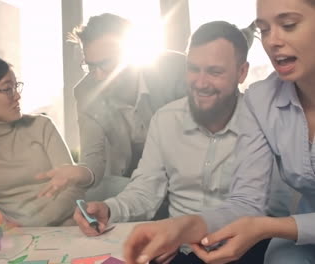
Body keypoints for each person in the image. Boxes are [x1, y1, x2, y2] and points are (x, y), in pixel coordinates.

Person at [74, 21, 292, 264]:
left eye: (214, 72)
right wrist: (109, 209)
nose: (200, 82)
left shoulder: (262, 120)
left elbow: (256, 204)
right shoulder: (165, 120)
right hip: (181, 251)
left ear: (242, 72)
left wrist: (186, 230)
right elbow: (145, 190)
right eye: (193, 69)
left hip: (248, 246)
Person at [123, 0, 315, 263]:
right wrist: (185, 227)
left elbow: (264, 221)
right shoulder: (261, 101)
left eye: (288, 25)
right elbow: (246, 201)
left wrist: (270, 227)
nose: (273, 41)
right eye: (265, 29)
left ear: (241, 72)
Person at [0, 56, 91, 228]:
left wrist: (33, 224)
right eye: (8, 89)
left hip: (65, 227)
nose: (17, 95)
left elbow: (73, 186)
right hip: (14, 237)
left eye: (16, 86)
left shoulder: (42, 126)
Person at [67, 13, 187, 200]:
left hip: (183, 169)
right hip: (131, 178)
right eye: (90, 66)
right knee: (90, 195)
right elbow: (93, 157)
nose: (98, 76)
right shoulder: (85, 91)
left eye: (105, 64)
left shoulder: (175, 69)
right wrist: (80, 174)